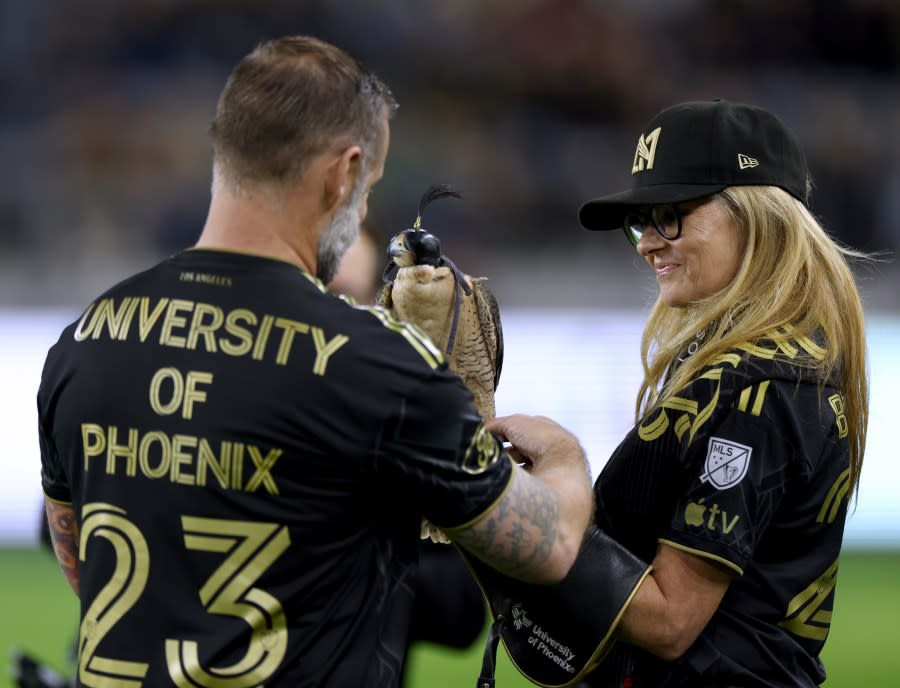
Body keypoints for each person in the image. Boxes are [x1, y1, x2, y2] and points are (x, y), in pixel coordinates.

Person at [36, 35, 594, 687]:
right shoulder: (376, 363)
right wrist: (562, 459)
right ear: (342, 173)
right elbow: (550, 549)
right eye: (368, 189)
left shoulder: (86, 339)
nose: (360, 207)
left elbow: (81, 566)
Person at [499, 99, 869, 687]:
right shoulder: (765, 364)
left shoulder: (759, 386)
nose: (647, 242)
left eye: (670, 215)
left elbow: (672, 619)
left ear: (757, 217)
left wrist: (532, 495)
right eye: (641, 221)